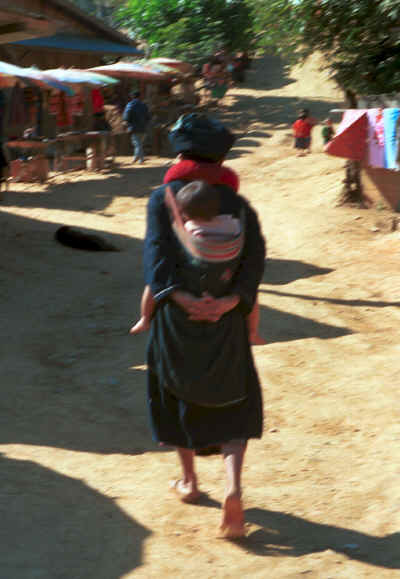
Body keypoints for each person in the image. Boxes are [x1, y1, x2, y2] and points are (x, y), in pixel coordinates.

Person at [137, 113, 265, 538]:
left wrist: (181, 296)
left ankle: (190, 482)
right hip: (227, 319)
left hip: (177, 318)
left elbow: (156, 256)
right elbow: (255, 260)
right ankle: (233, 487)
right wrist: (232, 299)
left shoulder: (163, 197)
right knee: (234, 399)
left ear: (181, 152)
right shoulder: (240, 205)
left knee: (175, 393)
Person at [130, 179, 266, 345]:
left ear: (184, 213)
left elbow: (165, 249)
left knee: (153, 284)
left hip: (194, 273)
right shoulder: (231, 224)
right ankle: (253, 332)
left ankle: (144, 318)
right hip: (225, 274)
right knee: (252, 292)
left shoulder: (189, 228)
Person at [122, 90, 151, 164]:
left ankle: (141, 160)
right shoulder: (144, 105)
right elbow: (148, 116)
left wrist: (126, 123)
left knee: (137, 143)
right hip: (143, 127)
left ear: (132, 97)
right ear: (140, 96)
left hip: (133, 127)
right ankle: (136, 158)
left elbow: (126, 116)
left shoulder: (130, 105)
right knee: (139, 143)